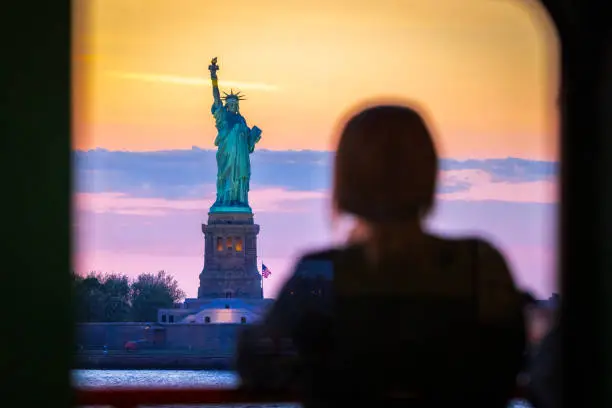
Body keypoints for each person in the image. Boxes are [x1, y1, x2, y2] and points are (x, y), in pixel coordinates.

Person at [236, 102, 527, 408]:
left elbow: (258, 363)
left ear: (345, 180)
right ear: (429, 173)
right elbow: (508, 364)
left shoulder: (318, 274)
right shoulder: (481, 266)